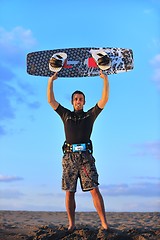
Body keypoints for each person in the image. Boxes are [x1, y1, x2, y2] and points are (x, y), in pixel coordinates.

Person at [47, 70, 109, 232]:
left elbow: (104, 100)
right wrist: (51, 81)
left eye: (81, 99)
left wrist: (105, 80)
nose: (78, 101)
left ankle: (104, 223)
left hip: (86, 157)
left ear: (84, 101)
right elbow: (51, 101)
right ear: (72, 101)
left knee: (94, 189)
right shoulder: (65, 114)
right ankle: (71, 224)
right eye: (76, 99)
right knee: (69, 191)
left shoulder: (90, 115)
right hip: (69, 157)